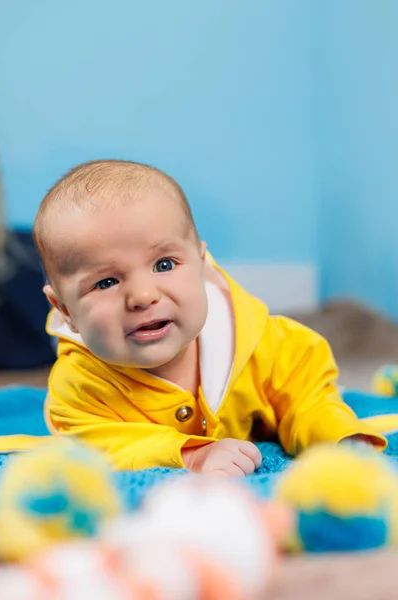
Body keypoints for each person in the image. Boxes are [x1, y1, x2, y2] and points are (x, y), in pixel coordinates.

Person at [28, 160, 388, 475]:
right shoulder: (81, 385)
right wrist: (190, 454)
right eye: (106, 282)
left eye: (164, 265)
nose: (142, 296)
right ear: (65, 310)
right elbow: (95, 443)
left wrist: (338, 437)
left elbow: (308, 394)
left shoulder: (259, 341)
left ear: (201, 265)